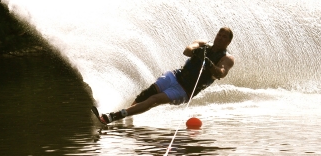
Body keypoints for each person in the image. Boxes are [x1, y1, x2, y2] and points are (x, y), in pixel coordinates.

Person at [98, 27, 235, 124]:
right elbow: (187, 51)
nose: (220, 38)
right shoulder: (203, 44)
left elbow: (221, 73)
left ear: (228, 42)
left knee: (154, 99)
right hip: (176, 76)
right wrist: (196, 52)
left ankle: (113, 116)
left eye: (224, 37)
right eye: (219, 34)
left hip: (185, 90)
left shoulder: (227, 58)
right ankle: (127, 114)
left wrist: (209, 64)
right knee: (146, 94)